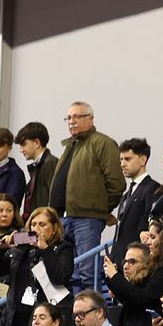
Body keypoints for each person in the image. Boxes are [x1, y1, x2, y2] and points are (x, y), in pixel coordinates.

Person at [50, 101, 124, 292]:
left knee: (87, 273)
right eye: (68, 118)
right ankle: (76, 310)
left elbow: (116, 183)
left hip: (86, 219)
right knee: (69, 274)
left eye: (77, 116)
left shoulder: (102, 143)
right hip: (62, 218)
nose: (71, 121)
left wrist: (100, 209)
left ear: (91, 119)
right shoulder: (71, 145)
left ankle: (91, 310)